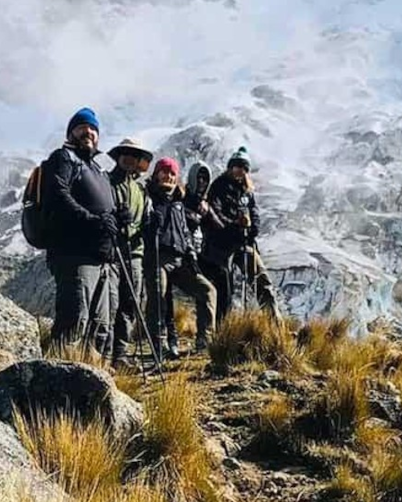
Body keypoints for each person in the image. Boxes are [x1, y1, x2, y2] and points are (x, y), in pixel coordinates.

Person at [43, 108, 120, 356]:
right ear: (70, 133)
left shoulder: (97, 169)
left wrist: (118, 218)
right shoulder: (64, 158)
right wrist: (93, 220)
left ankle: (90, 385)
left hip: (102, 260)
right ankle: (56, 383)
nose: (89, 132)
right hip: (74, 255)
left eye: (94, 129)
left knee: (100, 328)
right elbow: (57, 195)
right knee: (74, 321)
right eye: (82, 127)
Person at [144, 157, 218, 354]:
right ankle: (158, 345)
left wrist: (191, 254)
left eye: (172, 173)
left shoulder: (178, 202)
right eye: (164, 171)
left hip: (180, 259)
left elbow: (185, 232)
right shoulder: (148, 198)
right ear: (156, 174)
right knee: (158, 300)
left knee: (207, 291)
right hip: (157, 257)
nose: (168, 176)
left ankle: (205, 341)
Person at [204, 146, 282, 322]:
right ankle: (222, 331)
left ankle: (276, 326)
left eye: (244, 168)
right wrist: (235, 226)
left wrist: (252, 229)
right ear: (231, 167)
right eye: (237, 166)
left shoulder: (247, 191)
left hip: (244, 243)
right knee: (225, 290)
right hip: (221, 246)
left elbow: (254, 214)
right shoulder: (219, 186)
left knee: (262, 281)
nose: (240, 170)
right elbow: (214, 213)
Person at [107, 136, 153, 366]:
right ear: (118, 156)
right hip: (111, 253)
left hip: (134, 253)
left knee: (129, 303)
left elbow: (145, 222)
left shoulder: (140, 191)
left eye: (134, 155)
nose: (129, 158)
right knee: (110, 303)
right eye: (125, 153)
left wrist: (151, 225)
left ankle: (120, 354)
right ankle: (105, 353)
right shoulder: (105, 183)